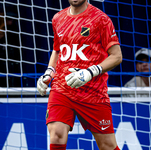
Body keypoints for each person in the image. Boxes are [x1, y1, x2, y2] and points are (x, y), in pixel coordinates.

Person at [37, 0, 122, 150]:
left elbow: (116, 56)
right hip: (62, 88)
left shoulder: (100, 19)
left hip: (92, 92)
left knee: (107, 145)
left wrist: (91, 72)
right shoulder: (58, 18)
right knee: (56, 133)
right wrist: (49, 72)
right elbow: (58, 50)